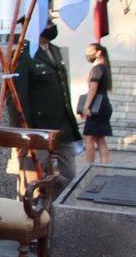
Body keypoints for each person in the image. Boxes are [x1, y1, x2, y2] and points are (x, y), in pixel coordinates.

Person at [7, 19, 81, 192]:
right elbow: (16, 97)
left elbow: (63, 90)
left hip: (62, 127)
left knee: (69, 175)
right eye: (47, 23)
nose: (52, 27)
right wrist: (21, 134)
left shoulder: (54, 50)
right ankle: (31, 208)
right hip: (38, 129)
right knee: (33, 180)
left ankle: (54, 205)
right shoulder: (23, 54)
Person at [81, 42, 113, 164]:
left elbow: (93, 89)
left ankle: (90, 166)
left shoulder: (97, 68)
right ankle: (105, 165)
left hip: (96, 107)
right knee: (100, 138)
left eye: (90, 51)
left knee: (88, 137)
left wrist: (86, 106)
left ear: (99, 53)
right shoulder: (104, 68)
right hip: (103, 105)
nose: (88, 54)